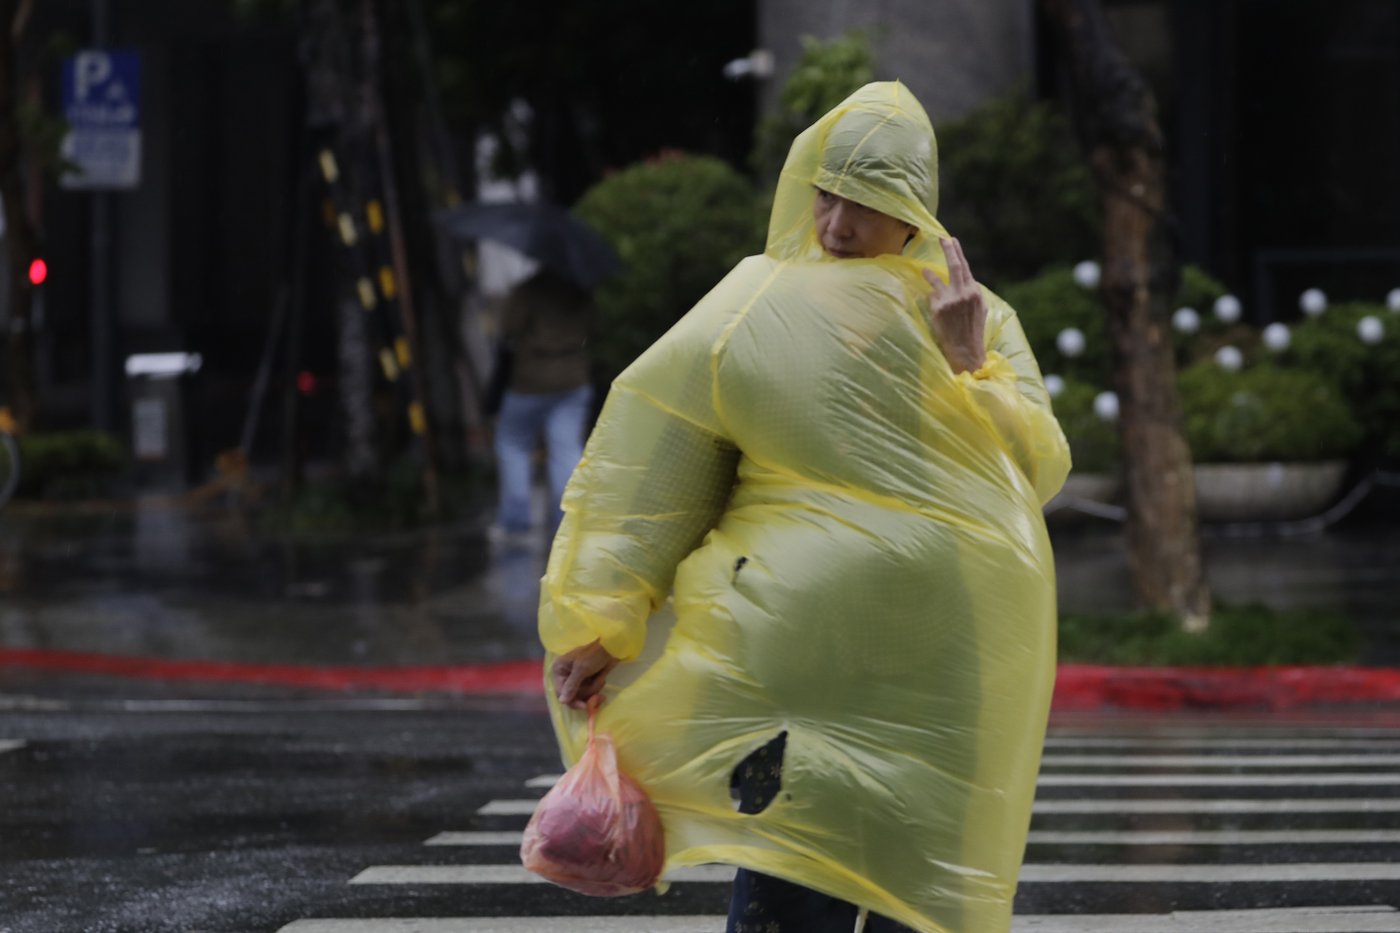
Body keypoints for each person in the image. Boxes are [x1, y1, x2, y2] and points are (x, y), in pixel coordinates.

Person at [536, 82, 1070, 933]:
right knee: (787, 899)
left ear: (913, 213)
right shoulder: (756, 304)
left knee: (920, 904)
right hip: (801, 674)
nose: (838, 225)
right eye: (827, 195)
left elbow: (1035, 471)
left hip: (937, 670)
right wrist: (606, 618)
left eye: (866, 203)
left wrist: (970, 365)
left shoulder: (974, 317)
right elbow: (662, 468)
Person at [489, 269, 594, 541]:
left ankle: (516, 521)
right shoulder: (580, 289)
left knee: (512, 442)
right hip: (573, 376)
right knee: (566, 447)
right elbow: (594, 324)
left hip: (531, 378)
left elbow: (509, 327)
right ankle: (567, 520)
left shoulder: (528, 290)